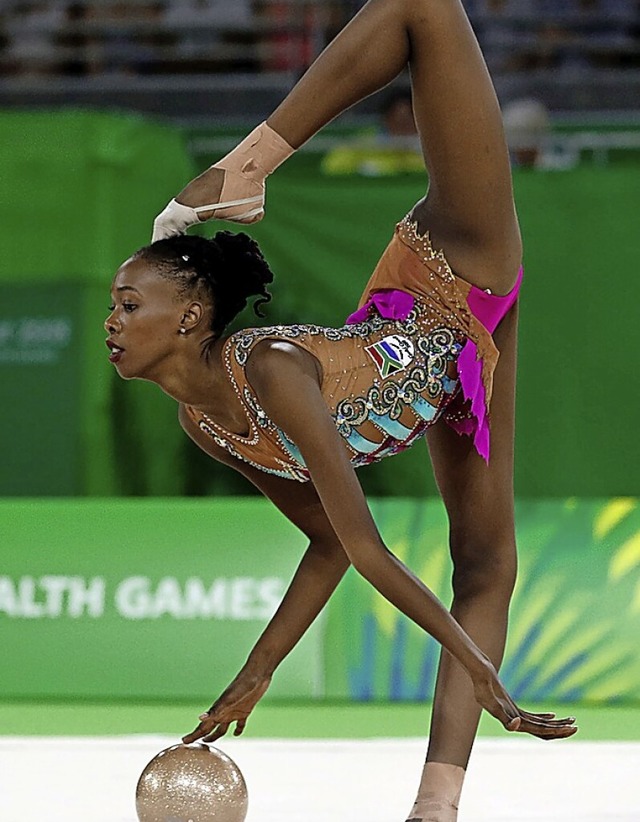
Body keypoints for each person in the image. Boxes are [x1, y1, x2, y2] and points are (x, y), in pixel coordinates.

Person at [108, 1, 578, 819]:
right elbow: (327, 543)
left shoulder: (273, 370)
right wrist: (256, 674)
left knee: (424, 5)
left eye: (125, 303)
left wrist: (484, 676)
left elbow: (367, 548)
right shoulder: (206, 422)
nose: (110, 323)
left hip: (454, 263)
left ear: (188, 317)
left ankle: (246, 165)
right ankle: (436, 808)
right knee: (487, 565)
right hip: (442, 366)